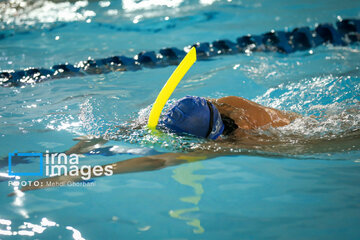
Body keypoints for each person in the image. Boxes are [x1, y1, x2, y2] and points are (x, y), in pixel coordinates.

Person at [10, 95, 303, 195]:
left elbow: (156, 161)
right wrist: (74, 152)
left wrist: (72, 175)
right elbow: (130, 131)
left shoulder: (240, 142)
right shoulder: (218, 105)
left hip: (316, 129)